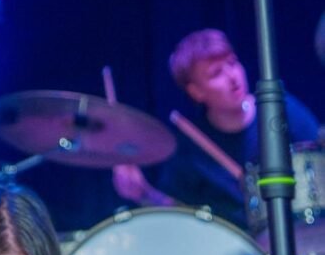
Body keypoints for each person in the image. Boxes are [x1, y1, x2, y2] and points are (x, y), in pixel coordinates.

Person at [112, 28, 320, 231]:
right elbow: (177, 214)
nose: (232, 77)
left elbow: (319, 159)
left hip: (298, 232)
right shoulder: (190, 148)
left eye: (232, 63)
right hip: (236, 245)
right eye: (216, 73)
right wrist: (143, 193)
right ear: (196, 91)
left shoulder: (279, 109)